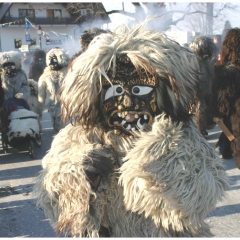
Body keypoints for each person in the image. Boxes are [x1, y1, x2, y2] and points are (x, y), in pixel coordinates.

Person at [34, 21, 228, 237]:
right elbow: (51, 196)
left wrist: (160, 166)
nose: (127, 103)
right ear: (97, 98)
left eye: (139, 90)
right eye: (116, 91)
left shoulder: (178, 133)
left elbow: (205, 192)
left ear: (161, 94)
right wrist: (78, 172)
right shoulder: (81, 135)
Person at [212, 28, 240, 168]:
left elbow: (222, 101)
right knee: (230, 134)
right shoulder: (227, 69)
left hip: (232, 115)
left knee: (229, 133)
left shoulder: (224, 69)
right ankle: (225, 147)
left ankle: (225, 147)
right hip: (234, 116)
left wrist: (217, 113)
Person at [189, 36, 217, 137]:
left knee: (204, 108)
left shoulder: (207, 63)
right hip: (196, 90)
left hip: (206, 89)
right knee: (200, 108)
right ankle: (200, 130)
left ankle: (203, 127)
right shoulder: (192, 62)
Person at [38, 47, 69, 132]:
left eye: (54, 61)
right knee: (55, 119)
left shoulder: (68, 72)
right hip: (52, 101)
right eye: (50, 61)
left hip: (65, 101)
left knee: (63, 119)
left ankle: (63, 132)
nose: (52, 63)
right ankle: (58, 131)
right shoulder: (46, 74)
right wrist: (41, 102)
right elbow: (41, 88)